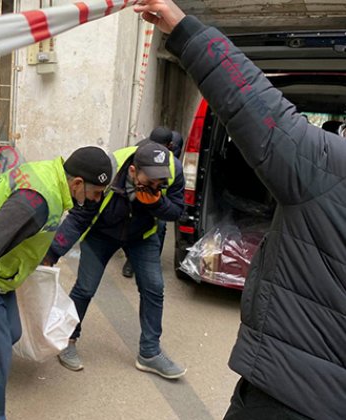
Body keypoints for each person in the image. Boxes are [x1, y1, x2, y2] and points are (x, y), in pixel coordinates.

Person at [134, 0, 346, 418]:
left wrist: (185, 31)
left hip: (286, 395)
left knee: (152, 287)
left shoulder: (333, 168)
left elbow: (258, 110)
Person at [0, 147, 113, 420]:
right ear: (77, 183)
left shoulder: (49, 178)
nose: (96, 201)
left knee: (12, 332)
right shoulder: (38, 200)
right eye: (96, 193)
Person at [44, 141, 186, 378]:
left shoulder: (174, 172)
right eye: (149, 182)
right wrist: (52, 254)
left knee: (154, 288)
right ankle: (67, 339)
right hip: (102, 233)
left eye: (159, 184)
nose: (155, 187)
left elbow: (177, 211)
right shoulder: (109, 171)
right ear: (133, 171)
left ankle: (149, 353)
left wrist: (158, 203)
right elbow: (79, 216)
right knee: (85, 288)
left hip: (142, 235)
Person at [122, 126, 184, 278]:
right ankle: (131, 260)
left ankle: (151, 259)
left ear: (170, 146)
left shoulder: (174, 161)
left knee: (160, 226)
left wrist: (158, 202)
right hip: (137, 196)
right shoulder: (140, 150)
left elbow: (175, 206)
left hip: (160, 199)